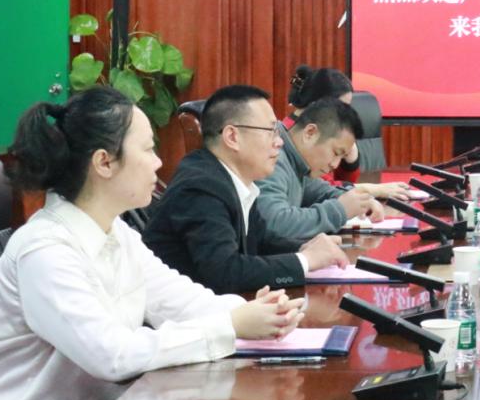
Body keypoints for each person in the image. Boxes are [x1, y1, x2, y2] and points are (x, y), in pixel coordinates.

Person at [0, 88, 303, 400]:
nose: (158, 162)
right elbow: (112, 356)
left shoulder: (116, 232)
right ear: (104, 162)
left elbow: (177, 300)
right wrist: (230, 325)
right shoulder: (44, 251)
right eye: (147, 149)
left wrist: (254, 312)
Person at [143, 85, 348, 294]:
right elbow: (225, 272)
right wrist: (304, 261)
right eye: (270, 131)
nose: (279, 142)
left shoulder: (233, 179)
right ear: (232, 137)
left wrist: (304, 248)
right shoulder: (201, 187)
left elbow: (261, 240)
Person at [258, 98, 386, 240]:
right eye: (336, 153)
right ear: (310, 133)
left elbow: (319, 191)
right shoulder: (274, 158)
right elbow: (274, 225)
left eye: (342, 157)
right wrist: (340, 210)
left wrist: (358, 200)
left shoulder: (298, 161)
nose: (335, 165)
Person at [285, 64, 408, 201]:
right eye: (341, 106)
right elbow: (320, 190)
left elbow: (337, 185)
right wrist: (375, 190)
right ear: (319, 103)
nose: (345, 114)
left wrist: (350, 161)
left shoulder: (325, 129)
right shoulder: (295, 135)